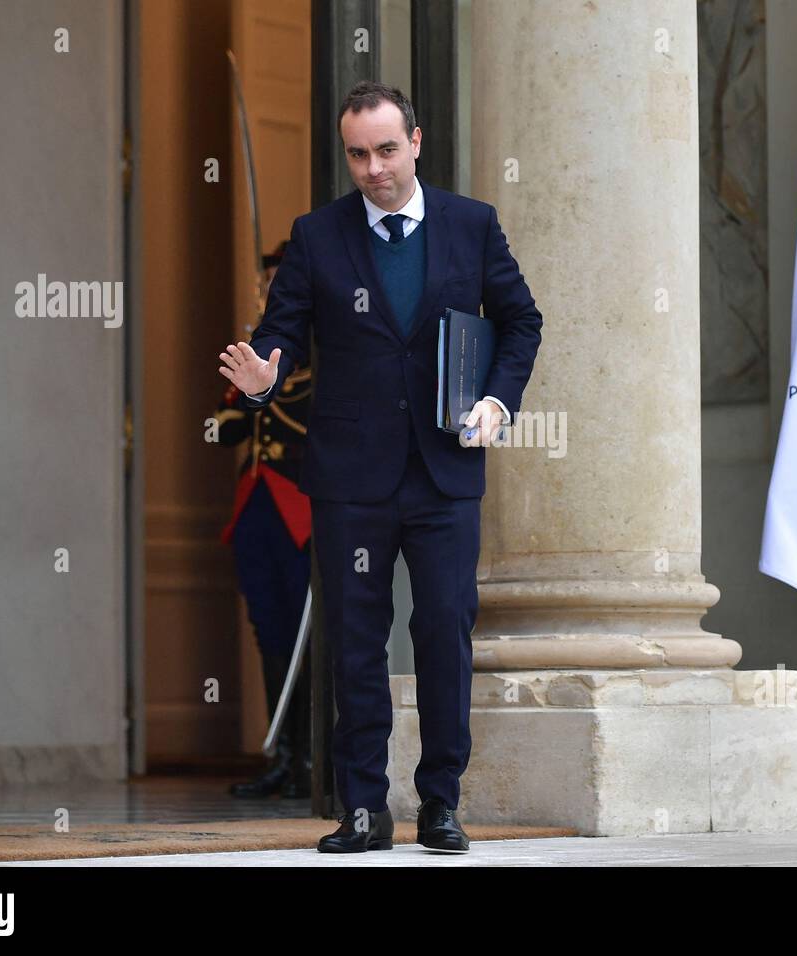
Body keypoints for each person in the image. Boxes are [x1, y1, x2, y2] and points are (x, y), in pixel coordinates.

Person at [216, 80, 542, 853]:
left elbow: (521, 319)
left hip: (442, 477)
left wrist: (498, 402)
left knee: (443, 635)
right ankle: (363, 809)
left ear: (417, 143)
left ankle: (441, 803)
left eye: (387, 149)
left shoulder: (471, 225)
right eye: (358, 154)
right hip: (351, 480)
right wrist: (264, 379)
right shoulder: (318, 235)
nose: (374, 168)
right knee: (356, 642)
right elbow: (282, 329)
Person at [215, 240, 315, 801]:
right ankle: (283, 756)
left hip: (302, 508)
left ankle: (310, 758)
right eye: (270, 281)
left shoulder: (316, 355)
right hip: (256, 507)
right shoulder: (257, 350)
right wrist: (245, 381)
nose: (274, 290)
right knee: (269, 631)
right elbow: (226, 428)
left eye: (283, 281)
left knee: (307, 639)